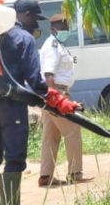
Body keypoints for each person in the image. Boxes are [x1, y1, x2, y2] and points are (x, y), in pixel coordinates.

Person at [0, 0, 49, 205]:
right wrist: (44, 96)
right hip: (11, 104)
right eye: (33, 18)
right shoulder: (23, 38)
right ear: (25, 14)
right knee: (14, 155)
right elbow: (34, 78)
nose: (34, 23)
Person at [38, 13, 93, 186]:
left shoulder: (57, 44)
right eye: (63, 27)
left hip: (51, 95)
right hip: (57, 94)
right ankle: (75, 173)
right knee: (73, 130)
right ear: (53, 28)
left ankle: (45, 176)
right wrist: (56, 99)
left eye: (67, 26)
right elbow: (48, 75)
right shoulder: (53, 45)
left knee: (51, 136)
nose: (66, 30)